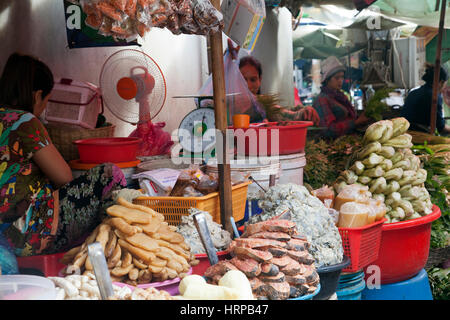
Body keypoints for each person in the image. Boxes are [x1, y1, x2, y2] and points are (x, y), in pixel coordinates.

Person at [0, 53, 127, 257]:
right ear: (37, 95)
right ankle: (112, 253)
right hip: (24, 232)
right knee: (109, 174)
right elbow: (64, 177)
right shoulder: (24, 121)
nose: (43, 109)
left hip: (6, 232)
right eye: (46, 101)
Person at [228, 39, 319, 125]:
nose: (248, 85)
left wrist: (304, 111)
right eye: (243, 80)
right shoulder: (230, 104)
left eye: (253, 80)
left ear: (260, 80)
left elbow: (286, 114)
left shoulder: (262, 104)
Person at [312, 56, 370, 138]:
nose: (340, 81)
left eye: (342, 77)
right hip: (332, 145)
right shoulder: (322, 100)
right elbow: (328, 130)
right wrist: (356, 123)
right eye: (337, 78)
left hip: (348, 140)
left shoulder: (340, 96)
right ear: (327, 80)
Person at [401, 64, 450, 134]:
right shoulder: (434, 97)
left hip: (404, 132)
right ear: (441, 82)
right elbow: (441, 128)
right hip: (415, 134)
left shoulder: (414, 92)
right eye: (445, 83)